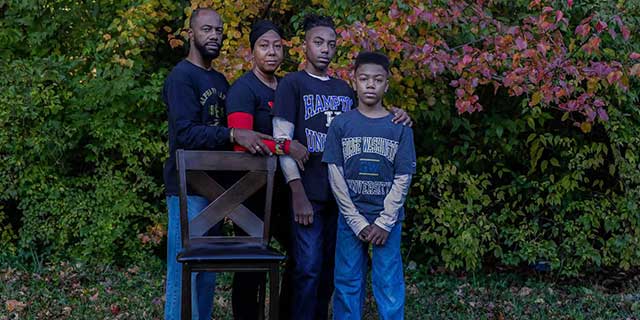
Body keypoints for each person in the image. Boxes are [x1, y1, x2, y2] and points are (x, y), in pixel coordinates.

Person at [271, 14, 412, 319]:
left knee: (332, 270)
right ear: (304, 45)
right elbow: (281, 140)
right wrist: (296, 191)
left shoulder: (344, 90)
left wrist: (399, 114)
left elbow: (369, 115)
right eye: (318, 42)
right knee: (307, 266)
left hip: (348, 199)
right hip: (309, 192)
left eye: (331, 44)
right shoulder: (291, 84)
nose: (325, 49)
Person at [162, 8, 272, 320]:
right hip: (188, 190)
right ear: (190, 34)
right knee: (184, 273)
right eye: (207, 29)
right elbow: (184, 134)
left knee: (206, 274)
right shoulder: (181, 77)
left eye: (219, 31)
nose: (214, 36)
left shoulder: (221, 81)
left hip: (219, 192)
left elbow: (227, 135)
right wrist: (234, 132)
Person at [323, 51, 416, 319]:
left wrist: (385, 221)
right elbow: (335, 175)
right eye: (364, 79)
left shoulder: (399, 127)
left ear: (387, 84)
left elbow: (403, 177)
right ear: (354, 81)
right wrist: (357, 221)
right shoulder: (341, 124)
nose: (370, 85)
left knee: (388, 282)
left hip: (388, 219)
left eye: (378, 80)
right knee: (347, 281)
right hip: (351, 218)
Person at [225, 20, 308, 320]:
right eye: (264, 46)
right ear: (252, 53)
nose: (271, 52)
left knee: (301, 256)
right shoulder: (242, 90)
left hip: (285, 190)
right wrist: (287, 146)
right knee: (251, 266)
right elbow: (242, 145)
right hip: (250, 191)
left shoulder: (288, 86)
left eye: (277, 46)